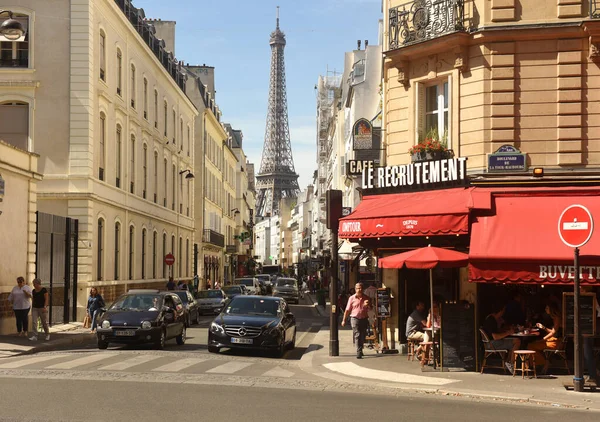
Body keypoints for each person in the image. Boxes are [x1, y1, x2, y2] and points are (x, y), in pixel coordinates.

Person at [483, 304, 520, 375]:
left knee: (514, 341)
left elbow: (496, 331)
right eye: (503, 311)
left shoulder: (492, 319)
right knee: (517, 341)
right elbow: (495, 337)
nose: (503, 313)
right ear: (500, 311)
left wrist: (503, 328)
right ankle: (511, 363)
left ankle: (508, 362)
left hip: (492, 342)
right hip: (492, 344)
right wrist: (508, 333)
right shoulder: (491, 320)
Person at [528, 302, 562, 374]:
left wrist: (544, 339)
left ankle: (544, 362)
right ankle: (540, 363)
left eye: (547, 308)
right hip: (552, 340)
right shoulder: (554, 318)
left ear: (551, 309)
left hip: (555, 342)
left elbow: (554, 332)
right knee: (532, 344)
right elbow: (552, 331)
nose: (545, 309)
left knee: (531, 346)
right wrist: (543, 327)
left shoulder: (557, 318)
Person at [341, 282, 371, 359]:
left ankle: (360, 349)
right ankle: (359, 352)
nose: (359, 290)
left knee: (363, 335)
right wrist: (344, 320)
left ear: (363, 289)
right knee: (357, 334)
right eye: (357, 288)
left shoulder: (366, 298)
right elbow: (347, 310)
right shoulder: (351, 298)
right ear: (355, 289)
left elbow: (371, 309)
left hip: (364, 318)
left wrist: (368, 305)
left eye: (360, 288)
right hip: (354, 318)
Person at [582, 286, 600, 383]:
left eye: (581, 288)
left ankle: (592, 374)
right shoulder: (591, 299)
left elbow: (598, 312)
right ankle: (592, 373)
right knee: (586, 353)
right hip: (588, 328)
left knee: (587, 353)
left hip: (588, 329)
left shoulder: (589, 299)